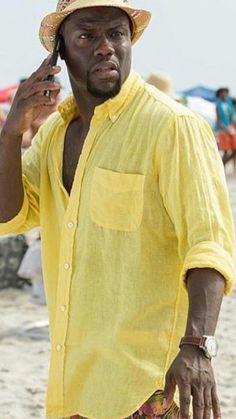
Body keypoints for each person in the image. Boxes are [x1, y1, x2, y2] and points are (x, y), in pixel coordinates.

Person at [0, 1, 235, 418]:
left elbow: (210, 243)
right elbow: (10, 215)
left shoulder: (172, 127)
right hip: (73, 388)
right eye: (88, 36)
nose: (106, 47)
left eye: (117, 35)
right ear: (58, 53)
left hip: (149, 388)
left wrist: (199, 346)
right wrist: (11, 132)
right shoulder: (55, 134)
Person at [215, 87, 236, 165]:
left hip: (231, 128)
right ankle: (222, 166)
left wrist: (232, 126)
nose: (224, 94)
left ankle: (223, 164)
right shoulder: (218, 105)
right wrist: (226, 129)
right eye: (222, 93)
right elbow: (219, 120)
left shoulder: (229, 104)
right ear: (219, 95)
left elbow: (233, 117)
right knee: (226, 150)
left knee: (234, 149)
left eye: (225, 93)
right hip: (223, 129)